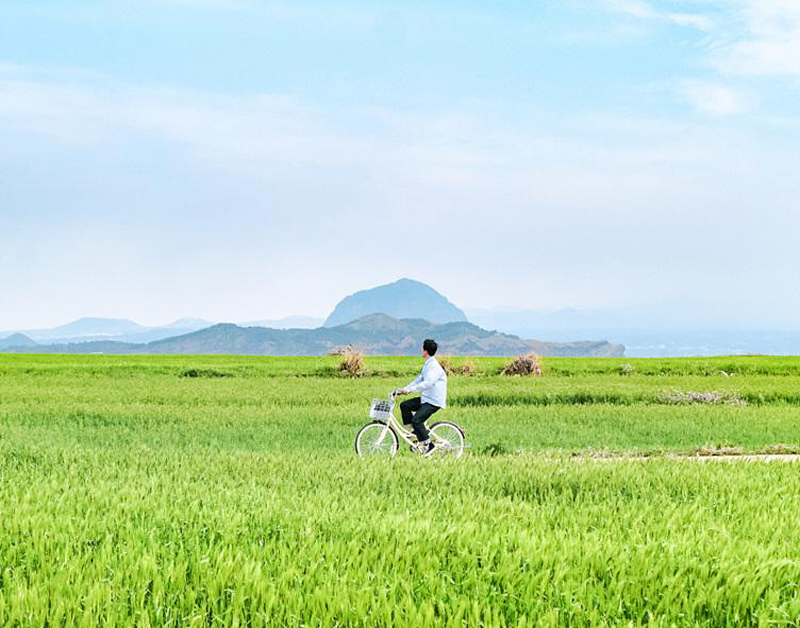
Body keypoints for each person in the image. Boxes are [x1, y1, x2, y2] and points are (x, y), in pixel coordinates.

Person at [397, 338, 447, 457]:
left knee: (416, 420)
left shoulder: (434, 366)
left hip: (433, 401)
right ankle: (415, 433)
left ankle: (429, 445)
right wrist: (404, 389)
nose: (421, 350)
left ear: (425, 351)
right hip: (426, 398)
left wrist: (411, 390)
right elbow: (419, 379)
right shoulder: (428, 364)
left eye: (422, 348)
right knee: (404, 406)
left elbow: (427, 383)